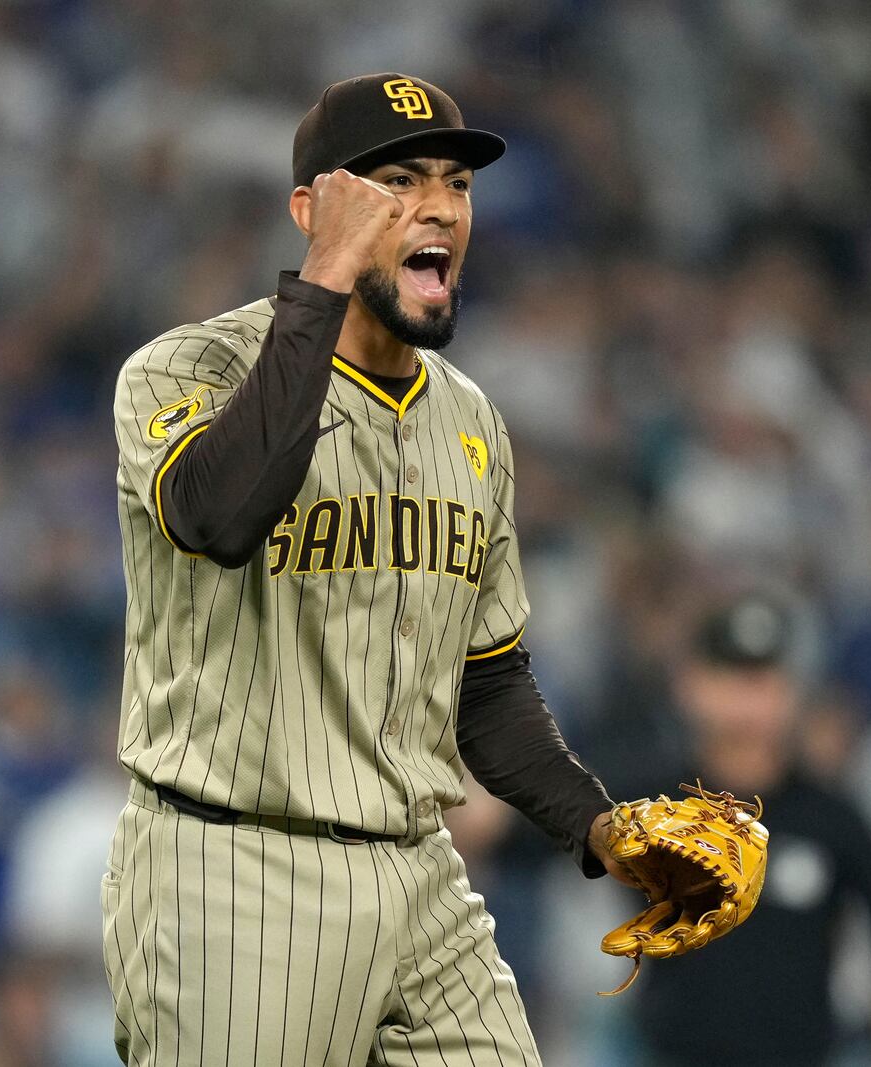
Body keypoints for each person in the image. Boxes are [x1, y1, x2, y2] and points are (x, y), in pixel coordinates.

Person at [101, 73, 633, 1066]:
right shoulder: (184, 370)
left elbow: (487, 684)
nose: (437, 205)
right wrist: (331, 270)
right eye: (396, 181)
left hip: (420, 870)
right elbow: (219, 514)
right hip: (234, 868)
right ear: (312, 207)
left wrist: (602, 829)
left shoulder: (470, 418)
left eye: (454, 184)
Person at [631, 594, 871, 1067]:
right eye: (732, 677)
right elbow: (532, 839)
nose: (749, 699)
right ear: (690, 684)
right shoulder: (647, 806)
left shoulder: (832, 819)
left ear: (793, 692)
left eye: (764, 680)